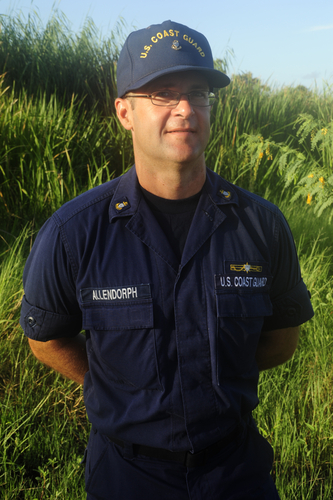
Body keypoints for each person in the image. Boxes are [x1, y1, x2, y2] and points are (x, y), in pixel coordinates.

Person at [20, 20, 314, 500]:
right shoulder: (74, 233)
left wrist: (212, 384)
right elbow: (46, 338)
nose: (185, 109)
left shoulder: (261, 225)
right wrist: (121, 390)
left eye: (198, 93)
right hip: (126, 477)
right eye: (162, 93)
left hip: (236, 472)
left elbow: (282, 341)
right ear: (124, 112)